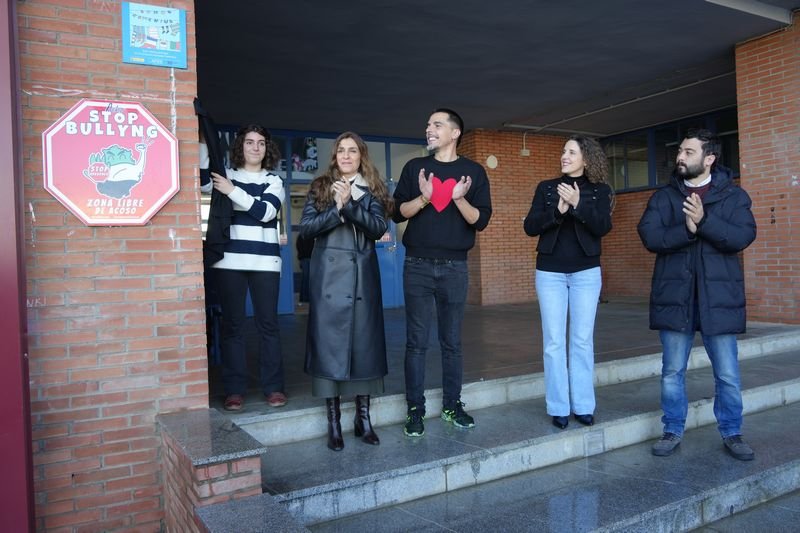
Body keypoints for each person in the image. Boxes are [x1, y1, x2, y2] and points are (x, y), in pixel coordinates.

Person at [638, 128, 757, 461]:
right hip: (676, 298)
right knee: (672, 372)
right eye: (680, 151)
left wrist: (703, 223)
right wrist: (687, 231)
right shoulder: (664, 197)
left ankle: (732, 432)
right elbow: (649, 235)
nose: (680, 157)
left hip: (717, 299)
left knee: (728, 374)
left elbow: (742, 236)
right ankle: (672, 428)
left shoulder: (733, 196)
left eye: (689, 152)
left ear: (709, 158)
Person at [392, 108, 492, 437]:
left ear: (454, 132)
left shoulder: (473, 172)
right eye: (428, 124)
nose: (429, 129)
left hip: (455, 268)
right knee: (416, 343)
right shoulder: (414, 167)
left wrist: (457, 198)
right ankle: (415, 410)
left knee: (452, 343)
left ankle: (452, 405)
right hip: (417, 266)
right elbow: (397, 213)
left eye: (436, 124)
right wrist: (424, 197)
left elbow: (480, 220)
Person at [300, 132, 393, 451]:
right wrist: (336, 210)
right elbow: (307, 230)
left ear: (361, 155)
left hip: (362, 279)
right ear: (335, 156)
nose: (347, 155)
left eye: (353, 151)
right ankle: (334, 423)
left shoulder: (374, 188)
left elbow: (379, 228)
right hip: (328, 278)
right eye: (341, 150)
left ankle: (363, 419)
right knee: (329, 347)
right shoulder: (320, 187)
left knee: (364, 346)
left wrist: (351, 205)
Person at [523, 136, 613, 430]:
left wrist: (577, 204)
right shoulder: (546, 188)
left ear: (586, 159)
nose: (564, 156)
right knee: (553, 342)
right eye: (563, 151)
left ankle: (584, 406)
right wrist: (558, 211)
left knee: (582, 341)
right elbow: (530, 226)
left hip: (586, 272)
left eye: (571, 152)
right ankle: (559, 407)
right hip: (549, 272)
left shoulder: (599, 191)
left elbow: (602, 227)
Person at [209, 124, 287, 412]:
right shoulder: (224, 175)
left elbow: (266, 212)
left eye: (261, 143)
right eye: (250, 142)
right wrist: (205, 140)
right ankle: (234, 390)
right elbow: (202, 179)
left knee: (269, 326)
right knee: (233, 327)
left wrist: (232, 192)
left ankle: (274, 388)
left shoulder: (273, 181)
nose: (256, 148)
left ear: (267, 149)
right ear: (240, 146)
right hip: (229, 262)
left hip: (265, 263)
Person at [295, 234, 314, 304]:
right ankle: (305, 298)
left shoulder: (301, 236)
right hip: (308, 258)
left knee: (305, 279)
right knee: (307, 279)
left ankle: (304, 298)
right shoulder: (311, 236)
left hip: (304, 258)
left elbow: (298, 246)